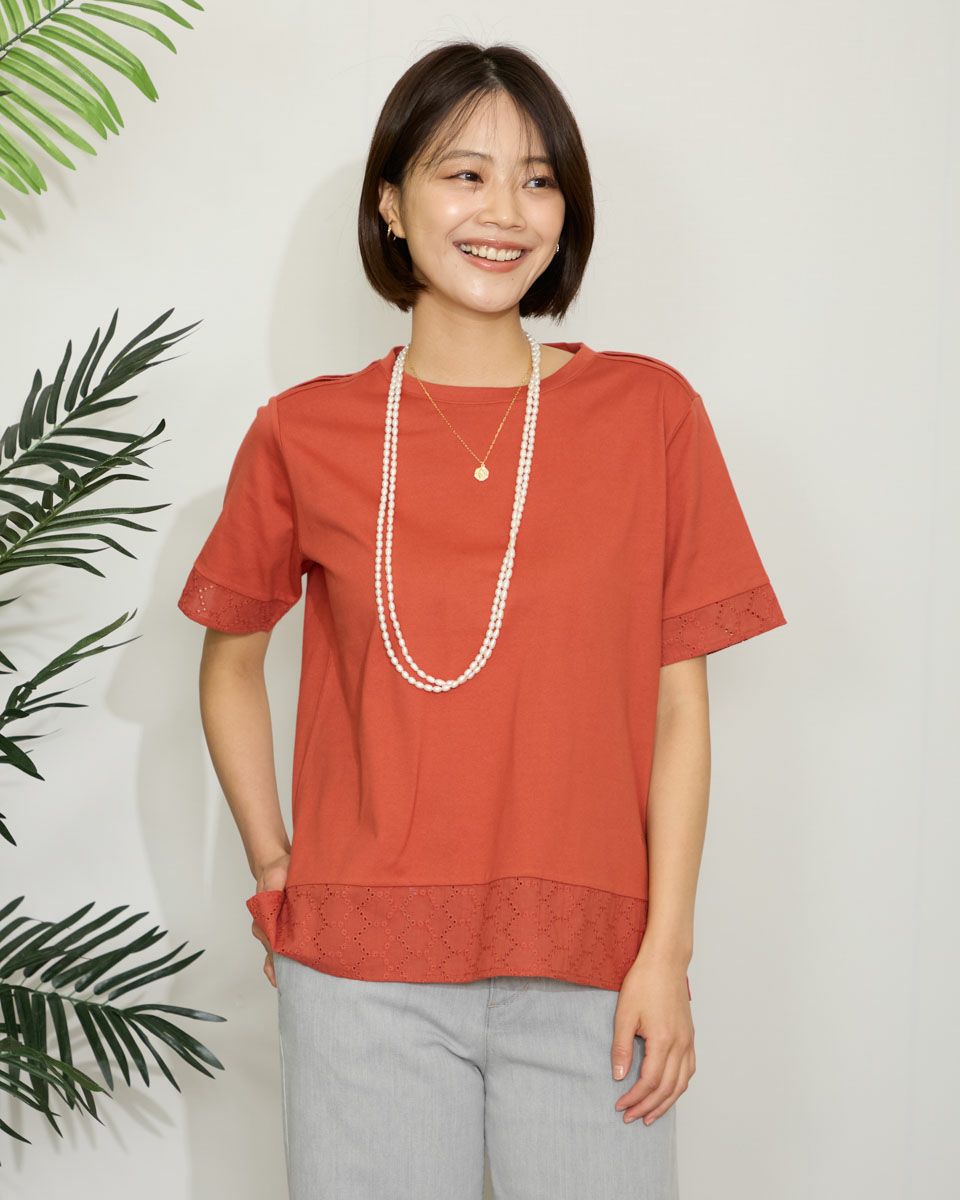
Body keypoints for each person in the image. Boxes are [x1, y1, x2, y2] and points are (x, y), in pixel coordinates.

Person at [177, 40, 787, 1200]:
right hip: (361, 978)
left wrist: (667, 953)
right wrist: (275, 871)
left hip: (596, 974)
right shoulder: (303, 433)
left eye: (539, 179)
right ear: (390, 204)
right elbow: (229, 663)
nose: (506, 210)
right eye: (465, 174)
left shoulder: (649, 414)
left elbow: (678, 707)